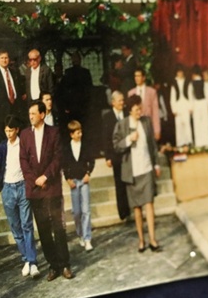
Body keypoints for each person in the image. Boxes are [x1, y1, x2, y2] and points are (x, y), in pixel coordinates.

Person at [19, 101, 73, 282]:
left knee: (58, 227)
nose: (30, 117)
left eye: (34, 114)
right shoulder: (25, 135)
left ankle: (65, 264)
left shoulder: (54, 132)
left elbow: (58, 157)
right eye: (29, 114)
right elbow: (23, 161)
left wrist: (46, 177)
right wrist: (35, 180)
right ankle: (53, 265)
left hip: (52, 188)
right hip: (35, 189)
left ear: (42, 115)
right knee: (43, 230)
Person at [113, 94, 163, 253]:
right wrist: (129, 139)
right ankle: (141, 240)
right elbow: (116, 145)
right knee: (137, 208)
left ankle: (153, 240)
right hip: (132, 172)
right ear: (129, 110)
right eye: (136, 110)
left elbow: (152, 145)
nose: (139, 112)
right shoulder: (122, 125)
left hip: (146, 168)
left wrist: (156, 164)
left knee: (149, 204)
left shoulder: (146, 122)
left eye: (140, 109)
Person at [0, 114, 39, 278]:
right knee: (15, 227)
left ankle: (32, 262)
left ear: (17, 130)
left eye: (11, 130)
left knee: (27, 224)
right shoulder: (2, 146)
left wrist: (30, 183)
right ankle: (26, 258)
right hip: (8, 188)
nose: (8, 134)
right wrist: (0, 185)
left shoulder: (24, 144)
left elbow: (31, 164)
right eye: (6, 131)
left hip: (22, 186)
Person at [62, 120, 95, 252]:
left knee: (86, 210)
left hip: (84, 180)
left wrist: (88, 173)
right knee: (77, 212)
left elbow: (91, 161)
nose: (80, 135)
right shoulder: (67, 148)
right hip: (74, 182)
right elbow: (64, 165)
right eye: (77, 133)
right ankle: (80, 233)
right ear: (71, 134)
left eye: (80, 132)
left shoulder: (85, 145)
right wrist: (68, 179)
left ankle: (87, 238)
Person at [102, 91, 130, 220]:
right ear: (113, 102)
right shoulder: (107, 117)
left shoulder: (127, 114)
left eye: (123, 100)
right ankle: (123, 212)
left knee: (129, 181)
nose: (122, 103)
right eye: (119, 101)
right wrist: (108, 157)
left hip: (128, 153)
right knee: (119, 183)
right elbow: (105, 138)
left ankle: (131, 207)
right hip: (115, 155)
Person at [58, 52, 93, 126]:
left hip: (74, 104)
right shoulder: (85, 72)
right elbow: (89, 89)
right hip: (81, 104)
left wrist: (66, 105)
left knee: (73, 124)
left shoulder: (69, 72)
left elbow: (64, 90)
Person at [128, 67, 161, 141]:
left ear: (144, 77)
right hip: (135, 126)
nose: (136, 78)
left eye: (138, 76)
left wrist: (157, 130)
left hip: (148, 125)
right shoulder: (131, 93)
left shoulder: (152, 92)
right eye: (135, 76)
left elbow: (155, 112)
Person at [170, 65, 193, 147]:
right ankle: (180, 143)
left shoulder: (187, 82)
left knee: (187, 124)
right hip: (178, 106)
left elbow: (190, 94)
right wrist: (174, 109)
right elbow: (172, 97)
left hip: (186, 105)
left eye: (181, 72)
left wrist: (191, 107)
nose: (180, 73)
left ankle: (189, 142)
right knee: (179, 125)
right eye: (178, 72)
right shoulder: (174, 83)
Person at [189, 64, 208, 147]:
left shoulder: (191, 84)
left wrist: (191, 107)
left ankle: (199, 143)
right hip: (204, 103)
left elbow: (191, 95)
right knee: (205, 123)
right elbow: (207, 94)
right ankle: (206, 141)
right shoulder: (204, 83)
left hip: (196, 103)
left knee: (197, 123)